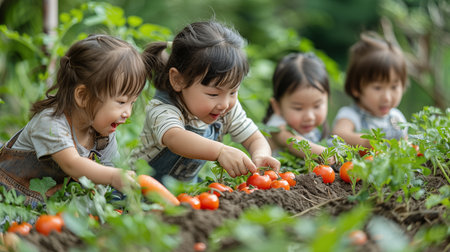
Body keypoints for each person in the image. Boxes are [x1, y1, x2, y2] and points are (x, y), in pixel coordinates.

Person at [0, 34, 147, 207]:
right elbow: (72, 164)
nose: (127, 112)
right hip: (7, 197)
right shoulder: (50, 123)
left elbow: (104, 178)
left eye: (132, 103)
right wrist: (114, 176)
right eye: (121, 102)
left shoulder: (102, 136)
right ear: (83, 96)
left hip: (45, 208)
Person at [131, 20, 280, 183]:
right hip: (134, 192)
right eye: (213, 94)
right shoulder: (162, 109)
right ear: (178, 80)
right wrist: (220, 151)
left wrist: (261, 155)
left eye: (233, 91)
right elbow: (175, 138)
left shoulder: (227, 108)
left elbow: (254, 138)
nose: (224, 104)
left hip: (180, 194)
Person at [331, 32, 408, 148]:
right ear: (356, 87)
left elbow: (405, 144)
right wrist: (368, 142)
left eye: (394, 87)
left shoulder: (397, 118)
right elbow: (339, 135)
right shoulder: (350, 115)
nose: (387, 97)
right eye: (377, 88)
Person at [263, 52, 334, 164]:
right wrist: (330, 155)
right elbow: (293, 142)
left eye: (317, 106)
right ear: (277, 106)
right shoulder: (276, 128)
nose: (309, 117)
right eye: (298, 108)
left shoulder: (313, 131)